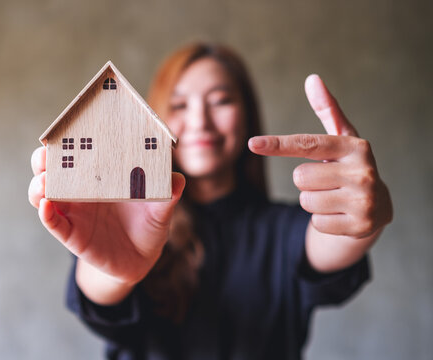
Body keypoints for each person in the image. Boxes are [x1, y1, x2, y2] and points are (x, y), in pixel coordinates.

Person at [28, 43, 393, 359]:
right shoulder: (126, 223)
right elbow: (100, 291)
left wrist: (368, 210)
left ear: (247, 115)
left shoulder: (283, 229)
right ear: (155, 119)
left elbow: (336, 237)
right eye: (179, 105)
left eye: (220, 100)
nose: (200, 120)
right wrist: (115, 272)